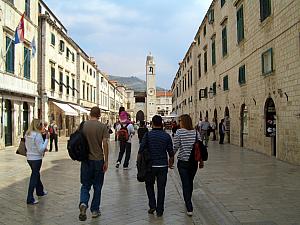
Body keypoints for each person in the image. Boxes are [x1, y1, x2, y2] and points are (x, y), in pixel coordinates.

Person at [138, 115, 174, 217]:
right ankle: (160, 210)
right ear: (161, 124)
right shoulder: (166, 136)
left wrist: (139, 164)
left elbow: (140, 151)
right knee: (161, 188)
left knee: (149, 185)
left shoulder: (148, 135)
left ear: (152, 123)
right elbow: (170, 152)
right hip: (162, 166)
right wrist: (171, 162)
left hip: (150, 166)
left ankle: (152, 205)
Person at [79, 106, 109, 221]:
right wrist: (106, 160)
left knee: (85, 185)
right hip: (98, 160)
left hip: (86, 160)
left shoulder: (83, 126)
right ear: (99, 115)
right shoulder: (102, 127)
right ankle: (95, 210)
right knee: (97, 186)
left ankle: (83, 203)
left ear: (90, 114)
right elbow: (105, 143)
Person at [173, 114, 202, 216]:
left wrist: (171, 158)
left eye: (180, 120)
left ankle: (189, 206)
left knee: (186, 183)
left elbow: (175, 147)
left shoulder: (179, 132)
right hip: (193, 163)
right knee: (190, 182)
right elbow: (200, 148)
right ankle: (188, 201)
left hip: (183, 163)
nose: (179, 122)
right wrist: (201, 161)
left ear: (183, 122)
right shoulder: (196, 133)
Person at [25, 119, 49, 205]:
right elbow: (41, 149)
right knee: (34, 177)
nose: (42, 126)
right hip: (36, 159)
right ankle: (30, 198)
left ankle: (40, 191)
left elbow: (30, 146)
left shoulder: (27, 134)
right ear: (38, 125)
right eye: (41, 125)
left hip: (29, 158)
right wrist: (46, 139)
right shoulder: (37, 135)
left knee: (36, 174)